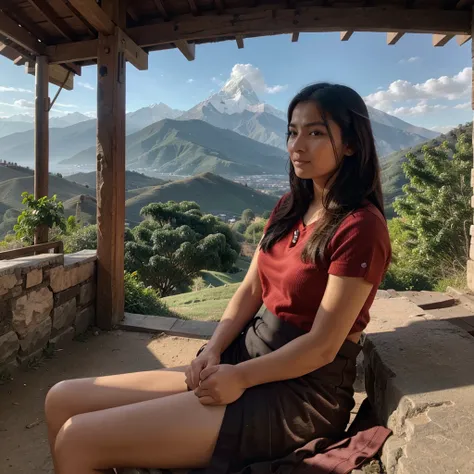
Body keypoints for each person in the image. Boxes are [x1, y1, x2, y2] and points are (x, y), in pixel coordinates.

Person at [44, 83, 391, 474]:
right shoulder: (290, 207)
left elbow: (323, 347)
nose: (297, 145)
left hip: (298, 393)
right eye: (292, 131)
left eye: (315, 132)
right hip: (242, 358)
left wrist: (241, 377)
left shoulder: (360, 228)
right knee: (62, 399)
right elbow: (251, 288)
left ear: (350, 144)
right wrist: (212, 349)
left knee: (79, 438)